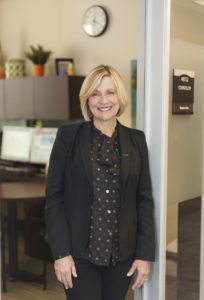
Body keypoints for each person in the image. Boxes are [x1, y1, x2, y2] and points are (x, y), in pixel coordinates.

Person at [45, 65, 155, 300]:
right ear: (87, 99)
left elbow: (143, 200)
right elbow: (54, 198)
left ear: (120, 97)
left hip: (122, 257)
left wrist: (144, 255)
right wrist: (61, 253)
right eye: (95, 93)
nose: (103, 100)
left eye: (110, 92)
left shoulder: (136, 140)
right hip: (78, 257)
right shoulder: (68, 137)